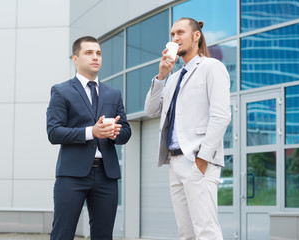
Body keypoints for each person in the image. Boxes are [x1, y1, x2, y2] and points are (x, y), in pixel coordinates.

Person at [144, 18, 231, 240]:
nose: (175, 38)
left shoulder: (212, 67)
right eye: (172, 34)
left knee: (206, 231)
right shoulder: (172, 79)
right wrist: (162, 75)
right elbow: (151, 110)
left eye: (180, 32)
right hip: (175, 161)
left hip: (198, 160)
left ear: (196, 36)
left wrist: (203, 159)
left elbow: (221, 116)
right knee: (186, 233)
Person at [47, 36, 131, 240]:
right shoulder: (61, 91)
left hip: (106, 176)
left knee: (103, 236)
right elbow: (53, 132)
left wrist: (114, 133)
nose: (95, 57)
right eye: (89, 53)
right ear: (75, 59)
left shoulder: (113, 93)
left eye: (99, 53)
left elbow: (126, 132)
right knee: (62, 234)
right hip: (72, 176)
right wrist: (90, 132)